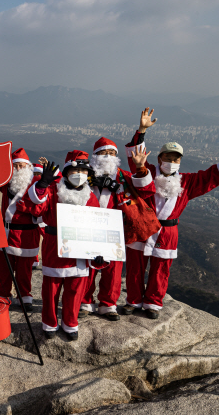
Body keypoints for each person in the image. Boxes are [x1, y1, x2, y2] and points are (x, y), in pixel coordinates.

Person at [125, 108, 219, 319]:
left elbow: (210, 176)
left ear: (180, 162)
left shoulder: (187, 182)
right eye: (168, 157)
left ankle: (152, 303)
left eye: (176, 159)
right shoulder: (148, 171)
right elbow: (136, 159)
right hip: (143, 225)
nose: (172, 162)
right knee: (135, 264)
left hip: (168, 230)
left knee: (161, 268)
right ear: (160, 159)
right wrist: (141, 130)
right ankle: (133, 300)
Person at [19, 150, 108, 340]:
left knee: (75, 290)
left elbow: (96, 225)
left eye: (85, 172)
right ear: (66, 172)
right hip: (55, 248)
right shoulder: (53, 190)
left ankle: (70, 323)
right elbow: (35, 205)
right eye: (76, 171)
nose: (80, 175)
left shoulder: (90, 196)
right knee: (51, 289)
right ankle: (49, 323)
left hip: (80, 251)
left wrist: (98, 252)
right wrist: (42, 183)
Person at [80, 137, 154, 321]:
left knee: (113, 268)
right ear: (95, 156)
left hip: (116, 228)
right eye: (104, 153)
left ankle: (108, 304)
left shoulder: (123, 176)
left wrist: (140, 168)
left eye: (112, 153)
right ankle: (84, 302)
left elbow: (147, 190)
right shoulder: (85, 174)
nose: (108, 156)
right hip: (89, 226)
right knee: (88, 266)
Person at [0, 148, 41, 312]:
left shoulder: (36, 185)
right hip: (6, 232)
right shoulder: (6, 185)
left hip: (27, 234)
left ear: (29, 167)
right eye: (16, 166)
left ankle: (24, 295)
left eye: (22, 166)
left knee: (24, 270)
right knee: (4, 268)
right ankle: (3, 294)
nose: (19, 169)